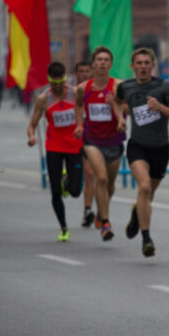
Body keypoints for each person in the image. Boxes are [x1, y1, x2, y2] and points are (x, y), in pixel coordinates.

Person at [113, 48, 169, 257]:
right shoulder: (125, 87)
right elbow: (116, 101)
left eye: (147, 63)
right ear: (132, 66)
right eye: (139, 63)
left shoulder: (163, 87)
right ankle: (146, 238)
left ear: (152, 66)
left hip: (161, 149)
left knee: (148, 195)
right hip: (137, 146)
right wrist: (120, 118)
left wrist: (161, 108)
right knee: (144, 187)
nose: (143, 66)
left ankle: (137, 213)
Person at [27, 62, 83, 241]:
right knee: (55, 192)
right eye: (54, 83)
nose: (58, 86)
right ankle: (64, 227)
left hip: (74, 145)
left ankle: (66, 180)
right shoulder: (44, 99)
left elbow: (83, 114)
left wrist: (81, 127)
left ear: (65, 78)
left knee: (75, 191)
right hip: (54, 147)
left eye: (61, 82)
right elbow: (32, 124)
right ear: (49, 81)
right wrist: (31, 136)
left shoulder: (74, 94)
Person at [74, 46, 125, 242]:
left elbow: (126, 106)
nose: (102, 63)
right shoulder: (82, 88)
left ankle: (100, 212)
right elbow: (78, 105)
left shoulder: (118, 86)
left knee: (110, 185)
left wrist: (119, 116)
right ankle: (106, 223)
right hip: (92, 140)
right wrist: (79, 125)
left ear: (111, 65)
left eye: (106, 60)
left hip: (114, 140)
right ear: (93, 64)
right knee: (101, 178)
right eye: (99, 60)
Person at [75, 61, 96, 227]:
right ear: (76, 74)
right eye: (81, 71)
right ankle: (66, 179)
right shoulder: (70, 93)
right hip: (69, 142)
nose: (84, 74)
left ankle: (87, 210)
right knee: (74, 182)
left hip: (89, 138)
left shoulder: (93, 91)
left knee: (89, 173)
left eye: (87, 71)